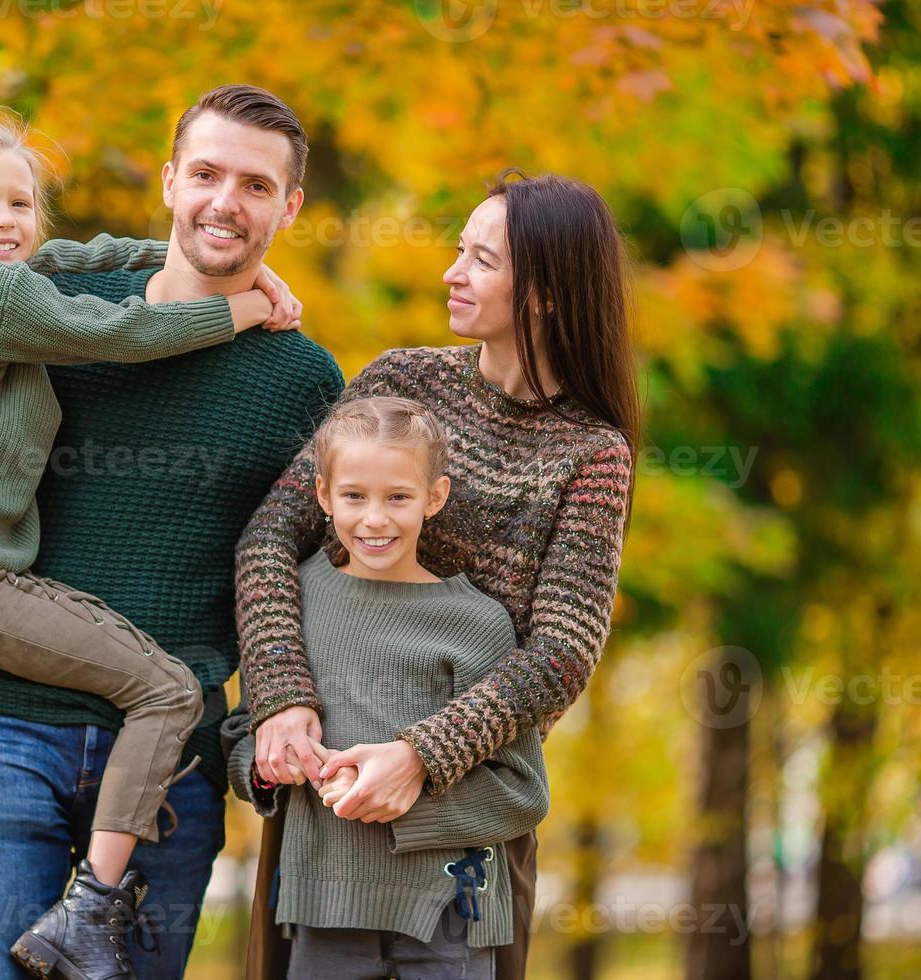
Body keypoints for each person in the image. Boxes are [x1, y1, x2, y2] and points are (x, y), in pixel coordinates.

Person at [0, 86, 344, 979]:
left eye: (256, 186)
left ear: (290, 206)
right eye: (206, 174)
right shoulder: (44, 293)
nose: (225, 201)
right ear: (169, 181)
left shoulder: (302, 376)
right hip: (4, 722)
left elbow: (302, 574)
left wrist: (276, 721)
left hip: (172, 767)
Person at [233, 170, 640, 978]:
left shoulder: (592, 453)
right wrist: (282, 698)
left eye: (481, 260)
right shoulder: (401, 383)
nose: (452, 274)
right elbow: (269, 539)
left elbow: (561, 651)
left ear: (548, 293)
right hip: (333, 806)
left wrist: (423, 755)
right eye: (461, 250)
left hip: (468, 821)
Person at [225, 396, 550, 979]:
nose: (375, 519)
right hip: (323, 906)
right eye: (354, 496)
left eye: (398, 497)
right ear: (323, 496)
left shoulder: (477, 622)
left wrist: (405, 802)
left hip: (452, 910)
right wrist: (268, 765)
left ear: (435, 497)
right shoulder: (290, 602)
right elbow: (245, 730)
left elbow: (523, 792)